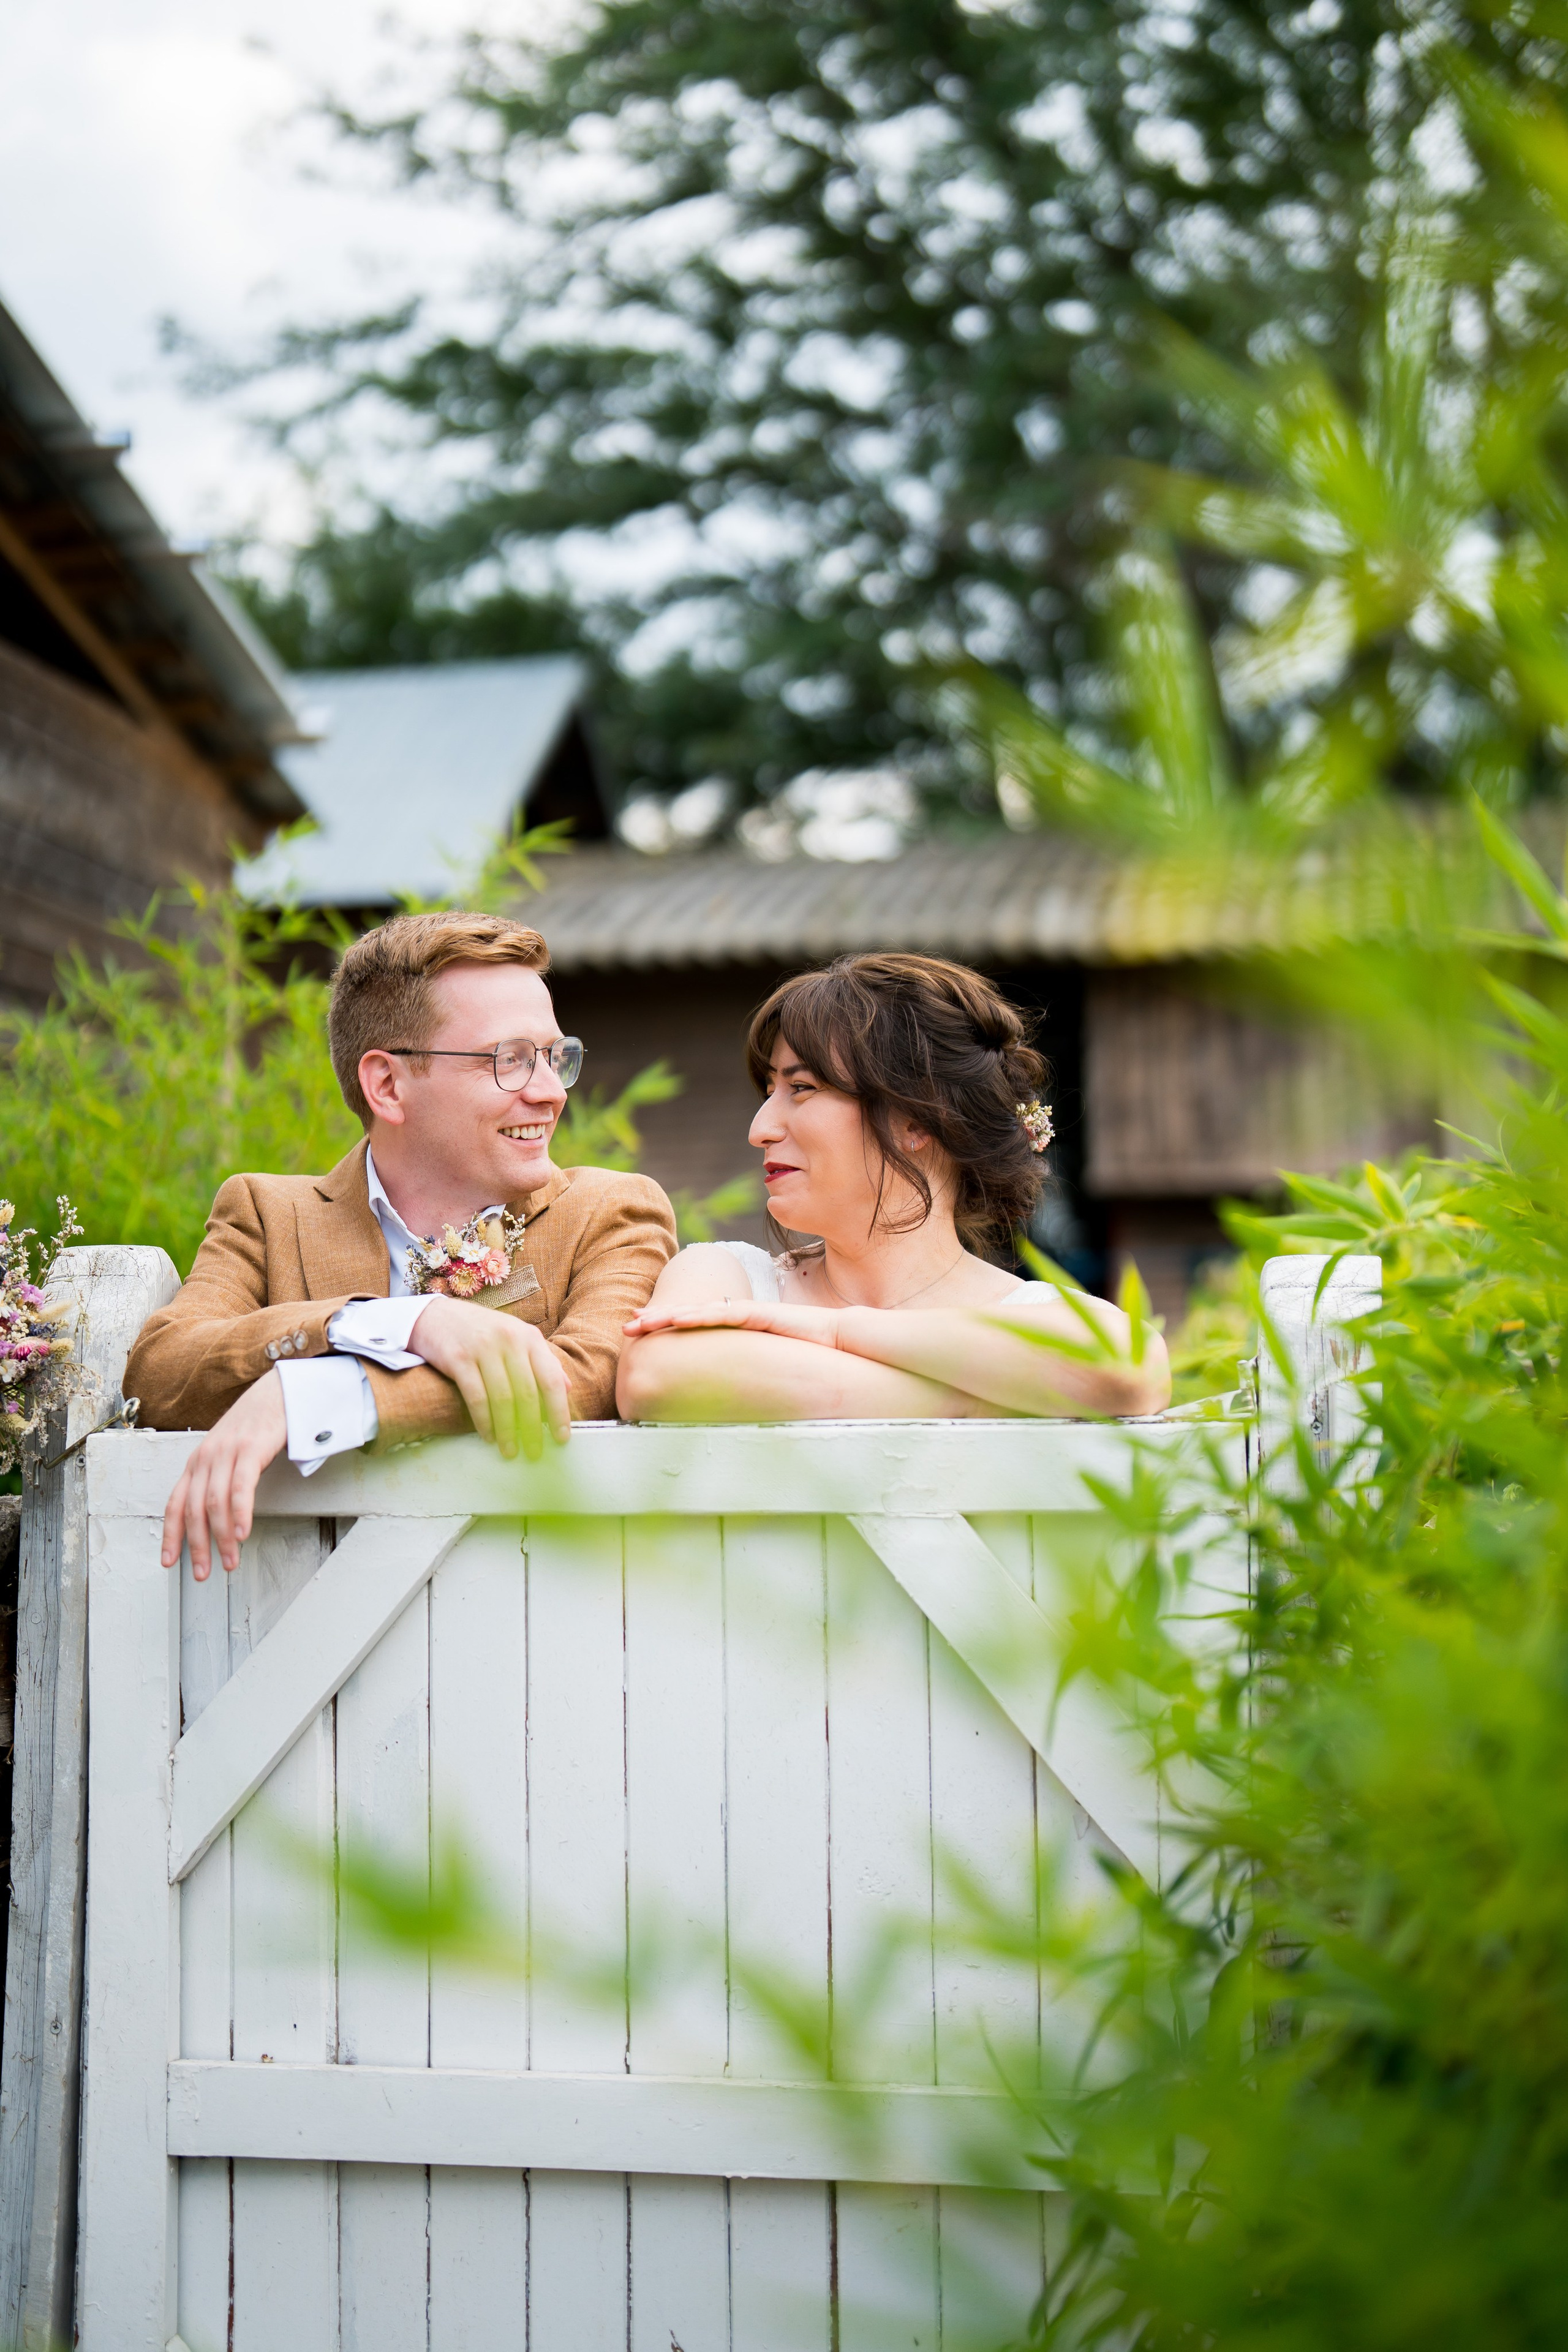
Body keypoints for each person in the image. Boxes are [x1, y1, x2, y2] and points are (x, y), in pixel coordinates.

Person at [129, 910, 677, 1581]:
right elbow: (160, 1372)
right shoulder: (267, 1215)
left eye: (554, 1057)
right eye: (509, 1059)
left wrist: (320, 1393)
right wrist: (394, 1322)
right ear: (387, 1085)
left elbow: (578, 1381)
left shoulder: (611, 1213)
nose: (546, 1092)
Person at [617, 952, 1169, 1424]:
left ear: (916, 1119)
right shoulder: (728, 1276)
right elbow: (654, 1375)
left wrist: (836, 1331)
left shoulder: (1030, 1308)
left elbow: (1132, 1367)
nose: (760, 1128)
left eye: (802, 1088)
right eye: (769, 1090)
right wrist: (975, 1396)